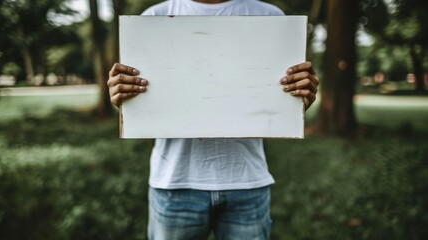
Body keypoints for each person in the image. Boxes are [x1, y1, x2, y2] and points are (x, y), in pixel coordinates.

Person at [107, 0, 319, 239]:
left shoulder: (270, 17)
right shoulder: (155, 16)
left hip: (247, 183)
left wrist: (299, 95)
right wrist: (123, 98)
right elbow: (143, 101)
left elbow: (285, 96)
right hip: (175, 183)